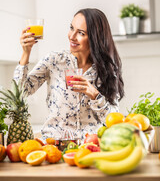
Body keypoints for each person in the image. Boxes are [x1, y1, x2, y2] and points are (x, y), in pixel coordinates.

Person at [14, 8, 124, 141]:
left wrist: (95, 95)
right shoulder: (54, 61)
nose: (72, 36)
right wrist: (26, 53)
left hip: (91, 146)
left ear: (95, 38)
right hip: (54, 146)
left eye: (81, 33)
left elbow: (114, 119)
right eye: (71, 28)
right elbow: (20, 92)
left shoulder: (107, 70)